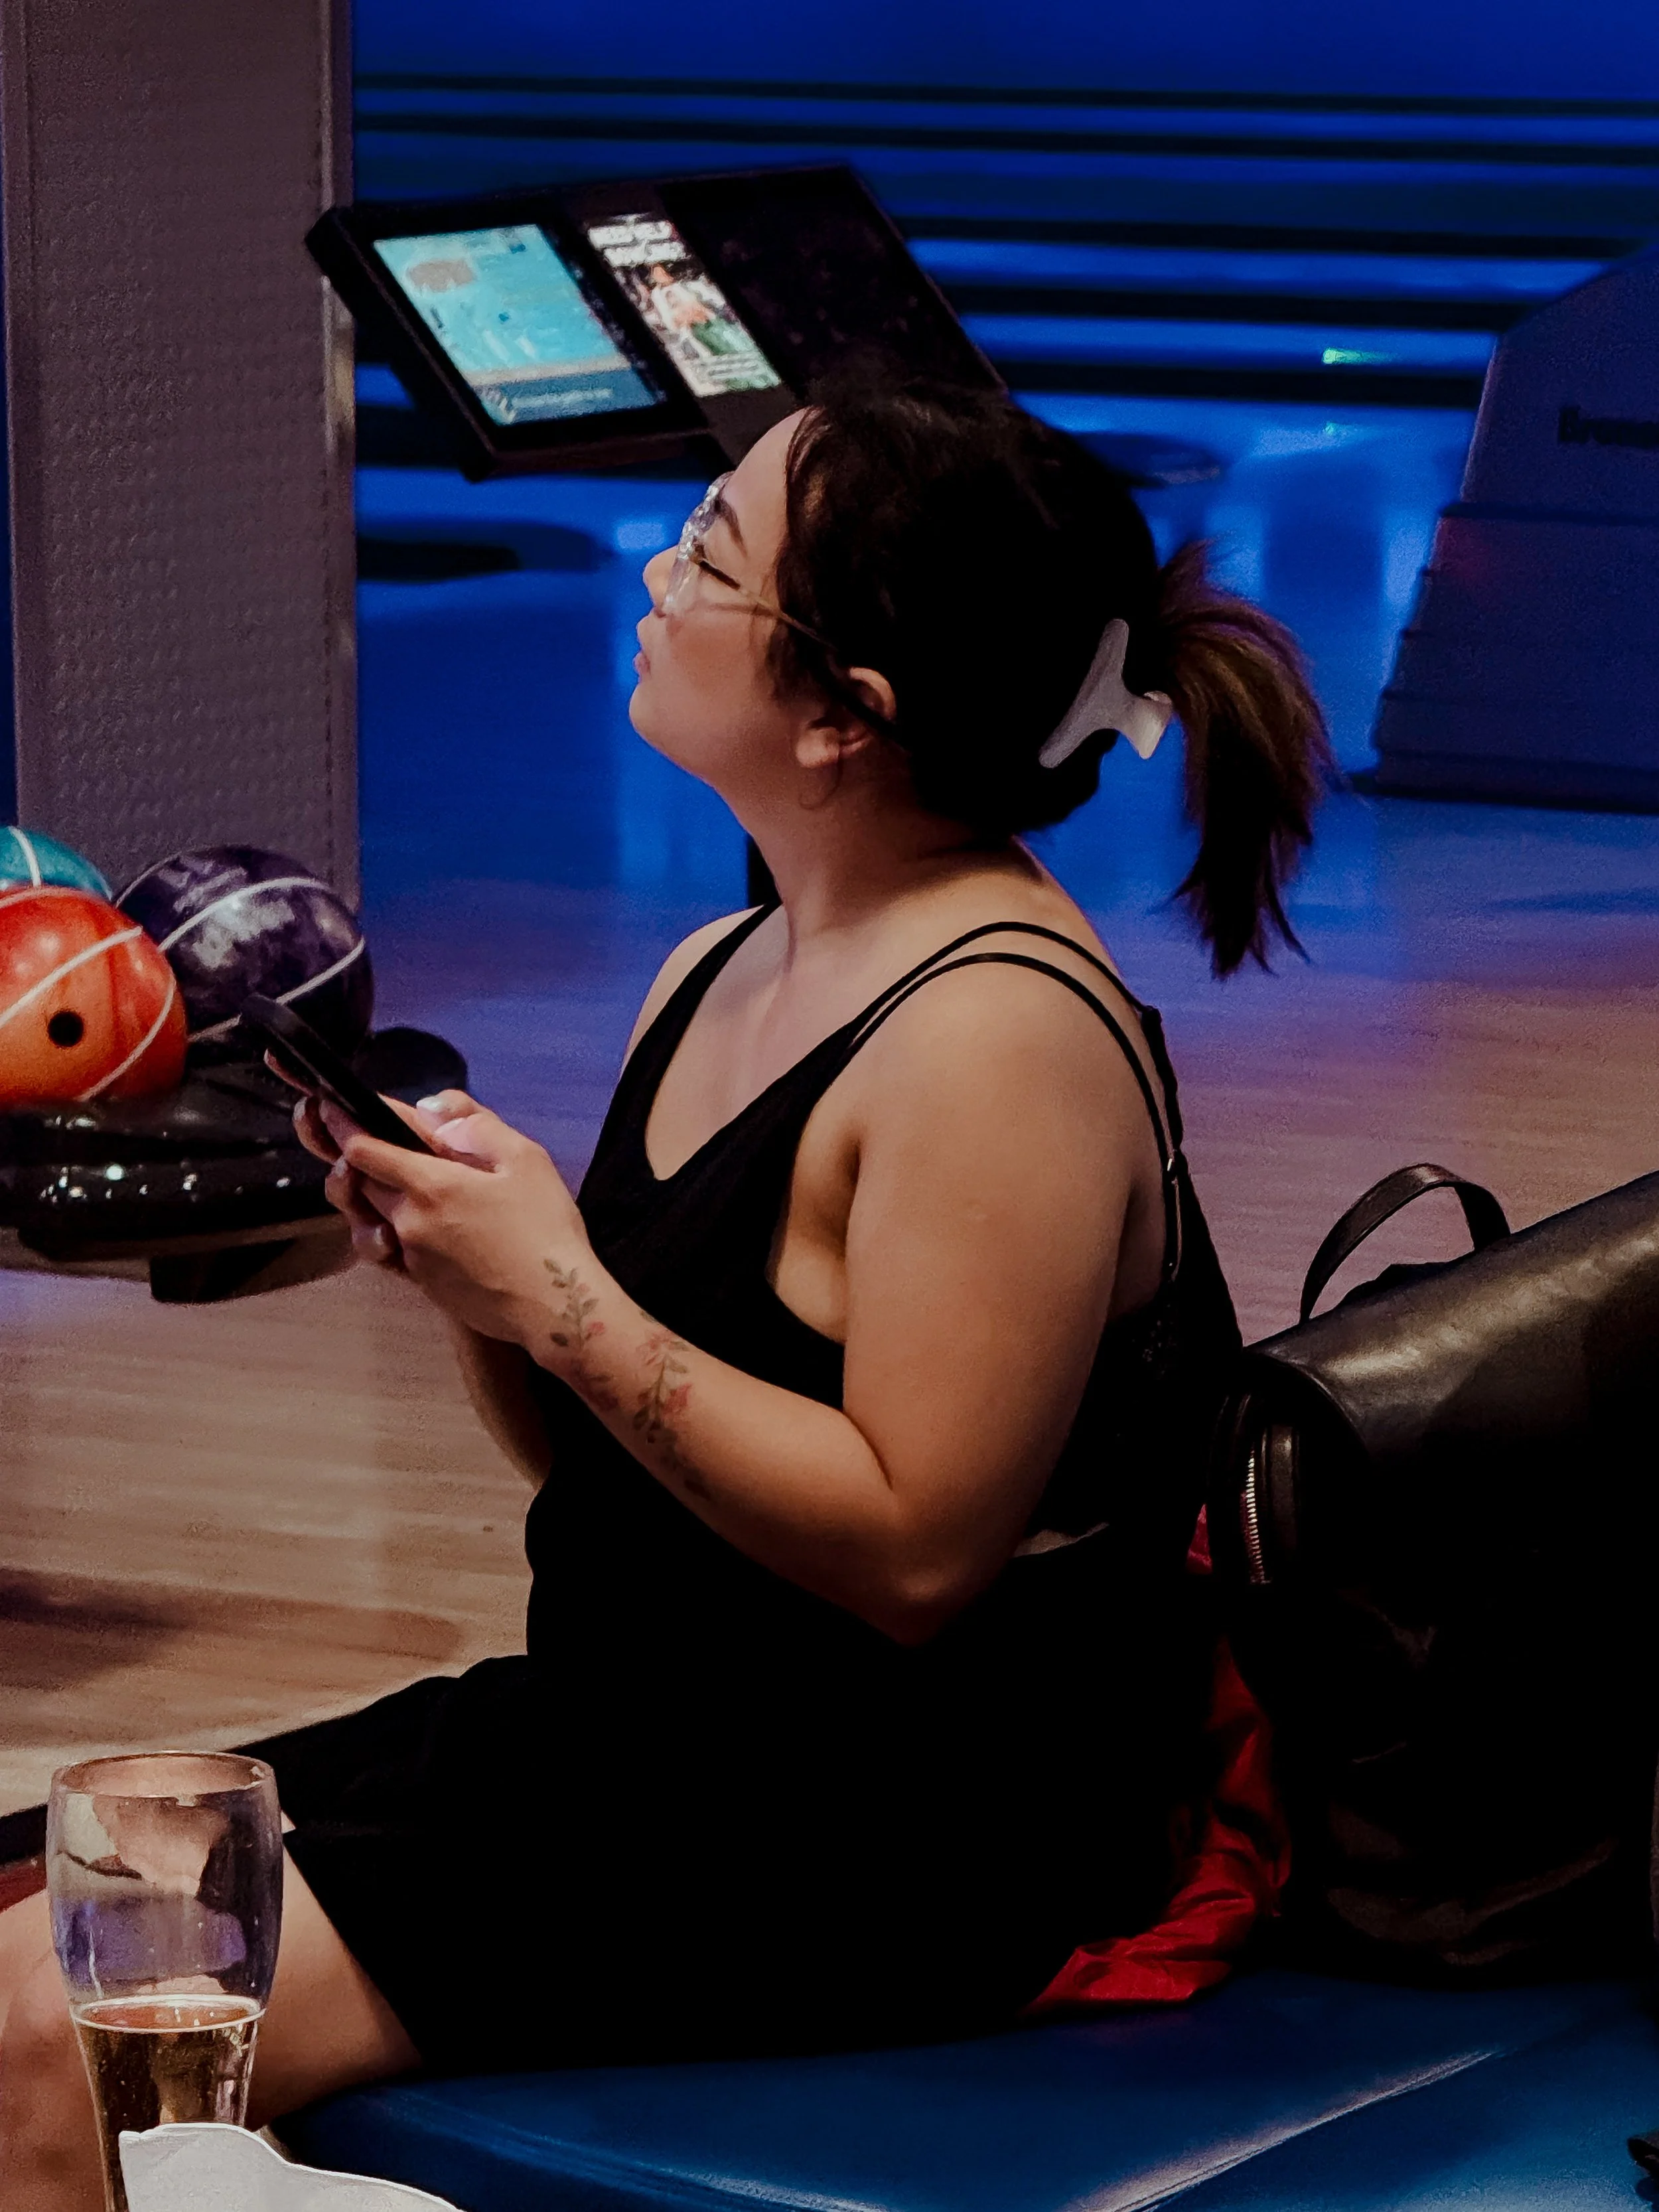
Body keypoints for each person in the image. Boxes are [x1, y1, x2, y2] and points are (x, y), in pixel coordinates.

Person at [0, 376, 1328, 2205]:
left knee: (57, 2027)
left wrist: (566, 1297)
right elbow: (625, 1485)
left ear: (844, 714)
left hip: (881, 1835)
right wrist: (480, 1280)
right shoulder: (718, 964)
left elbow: (915, 1554)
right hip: (643, 1735)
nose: (655, 572)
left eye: (709, 553)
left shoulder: (996, 1039)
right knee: (41, 1878)